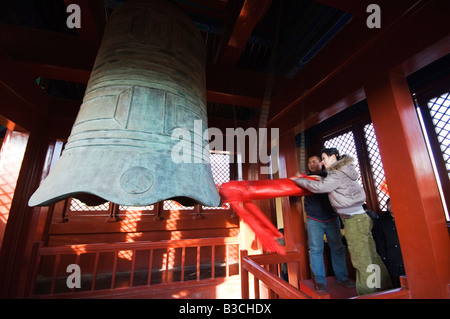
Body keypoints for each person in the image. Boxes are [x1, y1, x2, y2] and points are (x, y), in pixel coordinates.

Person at [292, 148, 392, 295]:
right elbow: (328, 182)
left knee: (361, 260)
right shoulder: (345, 169)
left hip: (353, 221)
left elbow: (320, 187)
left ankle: (368, 295)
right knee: (371, 255)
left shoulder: (335, 173)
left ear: (333, 157)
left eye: (323, 158)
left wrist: (298, 180)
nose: (322, 161)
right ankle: (385, 290)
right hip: (360, 217)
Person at [302, 155, 354, 291]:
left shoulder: (330, 175)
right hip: (314, 219)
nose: (311, 164)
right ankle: (320, 281)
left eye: (314, 161)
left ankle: (342, 278)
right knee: (315, 250)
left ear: (321, 162)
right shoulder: (305, 178)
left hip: (332, 217)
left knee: (338, 248)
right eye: (309, 162)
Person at [372, 198, 406, 288]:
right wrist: (383, 256)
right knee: (394, 279)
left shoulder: (405, 218)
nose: (391, 207)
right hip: (390, 254)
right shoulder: (381, 221)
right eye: (389, 204)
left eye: (393, 204)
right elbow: (380, 240)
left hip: (404, 253)